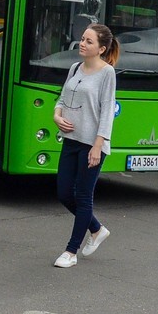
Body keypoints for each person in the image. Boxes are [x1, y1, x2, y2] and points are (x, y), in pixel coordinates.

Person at [51, 23, 120, 269]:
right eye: (82, 39)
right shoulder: (74, 68)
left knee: (83, 196)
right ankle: (96, 229)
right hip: (70, 140)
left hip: (92, 144)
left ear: (101, 48)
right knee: (63, 193)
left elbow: (107, 112)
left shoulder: (107, 73)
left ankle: (71, 251)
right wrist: (57, 117)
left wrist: (98, 145)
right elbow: (61, 99)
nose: (82, 43)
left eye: (89, 41)